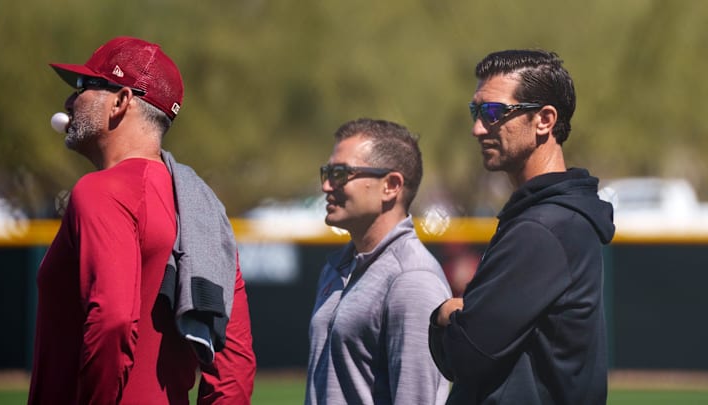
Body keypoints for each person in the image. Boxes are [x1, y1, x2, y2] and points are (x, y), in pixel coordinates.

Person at [29, 36, 256, 404]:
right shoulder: (203, 209)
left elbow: (114, 321)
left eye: (85, 86)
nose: (71, 101)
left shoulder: (101, 191)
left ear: (120, 101)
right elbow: (234, 367)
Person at [429, 50, 616, 404]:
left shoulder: (544, 227)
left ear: (544, 120)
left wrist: (443, 313)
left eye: (494, 113)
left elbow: (466, 355)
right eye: (475, 112)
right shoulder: (545, 218)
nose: (478, 128)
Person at [305, 118, 451, 405]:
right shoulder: (337, 267)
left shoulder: (412, 278)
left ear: (391, 186)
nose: (326, 185)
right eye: (327, 172)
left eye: (339, 173)